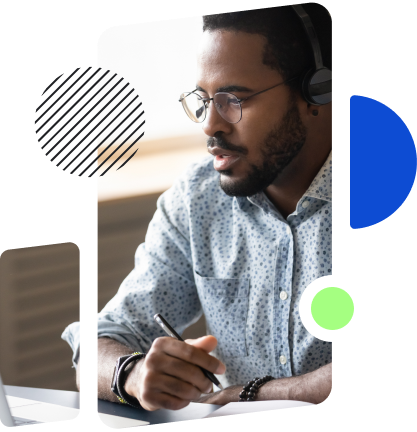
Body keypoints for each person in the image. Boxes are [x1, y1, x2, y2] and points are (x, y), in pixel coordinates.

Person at [63, 4, 332, 411]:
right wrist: (133, 374)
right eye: (204, 100)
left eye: (233, 99)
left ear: (318, 91)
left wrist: (255, 393)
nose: (210, 125)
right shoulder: (198, 198)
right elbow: (99, 338)